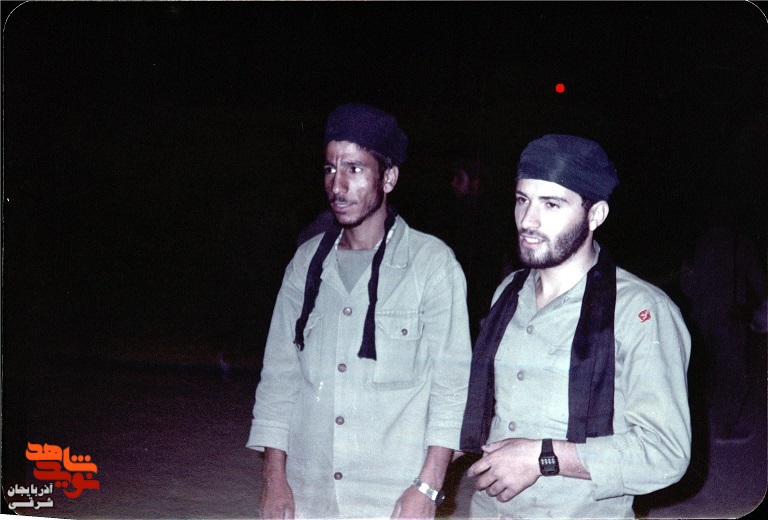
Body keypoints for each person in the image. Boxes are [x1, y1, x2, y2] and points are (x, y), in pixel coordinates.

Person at [248, 102, 472, 519]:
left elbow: (453, 387)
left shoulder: (431, 264)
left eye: (354, 169)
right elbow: (279, 377)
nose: (337, 185)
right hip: (309, 493)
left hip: (392, 498)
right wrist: (273, 480)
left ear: (388, 178)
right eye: (330, 169)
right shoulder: (306, 264)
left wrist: (427, 488)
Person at [460, 134, 691, 518]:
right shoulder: (509, 291)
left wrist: (542, 457)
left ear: (595, 215)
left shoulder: (639, 311)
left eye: (551, 204)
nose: (527, 221)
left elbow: (665, 453)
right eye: (522, 200)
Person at [680, 221, 766, 441]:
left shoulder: (698, 244)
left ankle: (693, 425)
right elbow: (758, 281)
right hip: (729, 317)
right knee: (732, 373)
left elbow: (687, 286)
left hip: (700, 318)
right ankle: (723, 427)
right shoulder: (740, 243)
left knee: (703, 370)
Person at [447, 159, 508, 342]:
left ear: (475, 183)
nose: (453, 183)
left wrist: (484, 309)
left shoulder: (483, 218)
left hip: (475, 307)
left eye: (460, 178)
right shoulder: (457, 213)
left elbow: (489, 267)